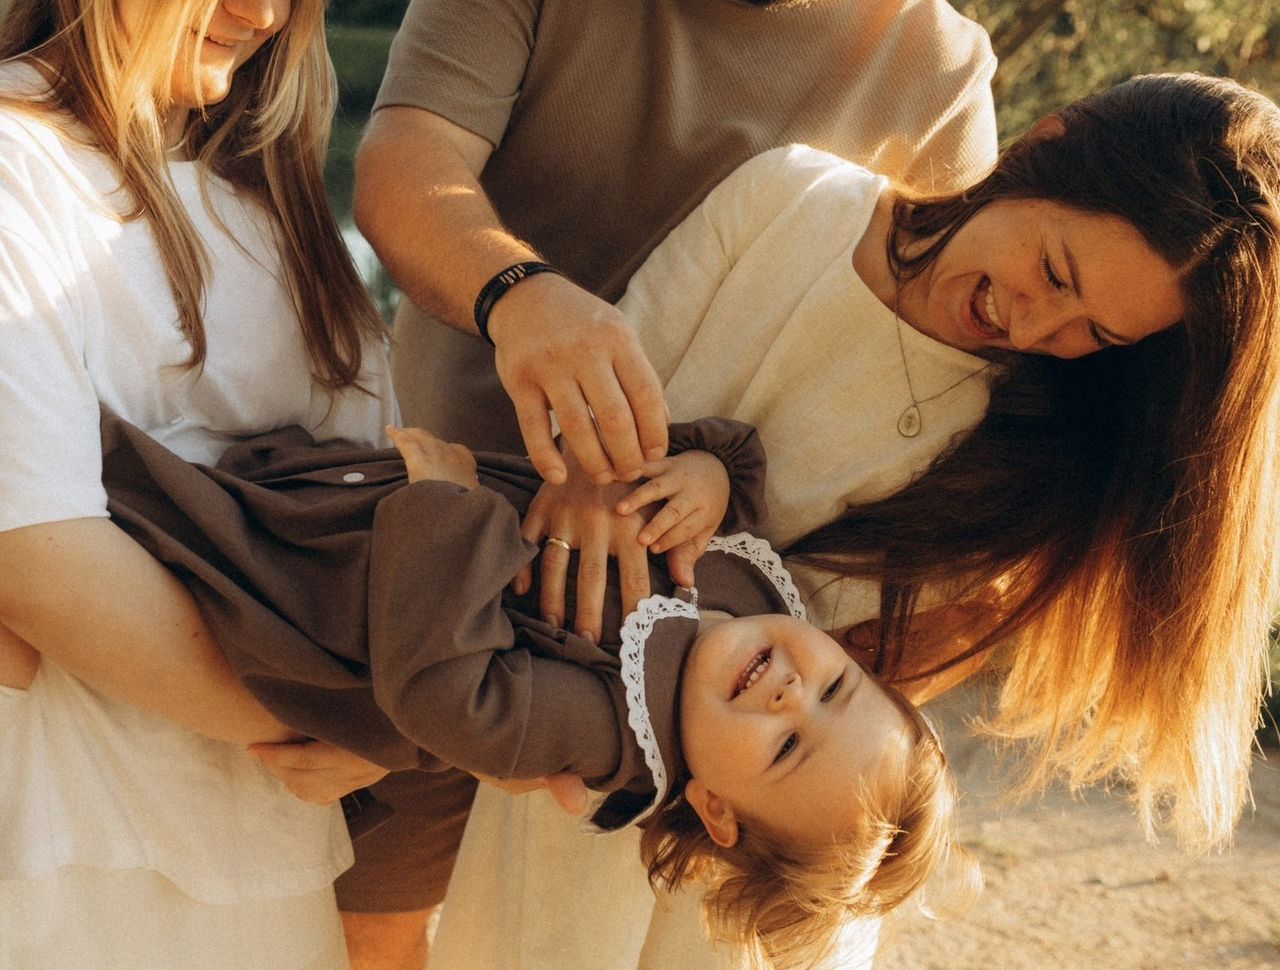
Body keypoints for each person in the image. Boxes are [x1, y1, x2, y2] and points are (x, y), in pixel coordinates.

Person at [349, 0, 996, 956]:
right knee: (374, 930)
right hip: (441, 569)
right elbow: (401, 164)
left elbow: (949, 413)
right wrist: (515, 293)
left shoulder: (939, 77)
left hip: (714, 658)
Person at [428, 72, 1280, 969]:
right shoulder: (791, 200)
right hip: (587, 746)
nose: (1036, 326)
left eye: (1096, 333)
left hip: (772, 843)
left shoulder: (1035, 451)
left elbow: (871, 685)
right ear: (1046, 146)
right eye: (1054, 270)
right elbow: (589, 421)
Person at [98, 411, 978, 968]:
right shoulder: (754, 591)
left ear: (713, 808)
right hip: (350, 494)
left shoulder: (608, 730)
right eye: (837, 689)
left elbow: (447, 696)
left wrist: (449, 503)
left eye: (788, 749)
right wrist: (707, 472)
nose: (794, 695)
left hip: (332, 585)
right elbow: (740, 456)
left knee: (134, 504)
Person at [0, 0, 396, 969]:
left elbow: (379, 494)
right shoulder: (16, 165)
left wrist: (398, 716)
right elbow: (41, 561)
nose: (264, 8)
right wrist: (344, 706)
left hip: (274, 848)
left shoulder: (279, 219)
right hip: (69, 842)